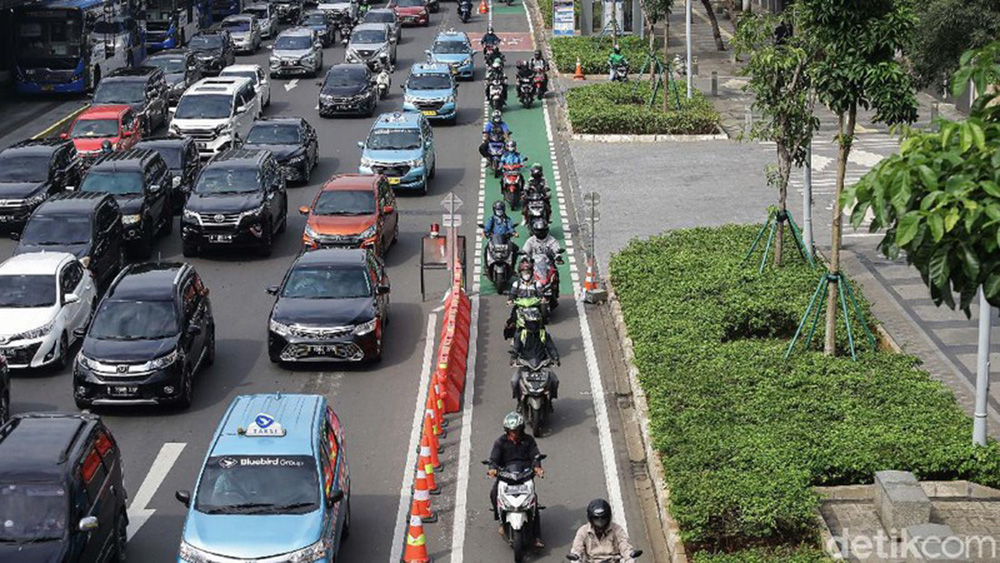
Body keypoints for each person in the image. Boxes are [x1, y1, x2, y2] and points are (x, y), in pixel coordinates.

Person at [488, 412, 546, 548]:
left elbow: (535, 455)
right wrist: (492, 469)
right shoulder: (500, 442)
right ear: (507, 431)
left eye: (517, 430)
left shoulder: (529, 440)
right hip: (506, 475)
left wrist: (537, 468)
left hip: (525, 475)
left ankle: (536, 536)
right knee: (493, 492)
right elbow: (494, 458)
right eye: (512, 431)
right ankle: (501, 521)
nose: (514, 433)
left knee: (533, 503)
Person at [509, 305, 560, 400]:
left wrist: (555, 358)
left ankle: (550, 400)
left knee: (555, 380)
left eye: (535, 323)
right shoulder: (520, 335)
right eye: (531, 323)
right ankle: (519, 401)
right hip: (525, 363)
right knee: (514, 381)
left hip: (542, 363)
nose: (533, 326)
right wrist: (513, 359)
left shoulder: (543, 334)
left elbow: (551, 347)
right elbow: (516, 348)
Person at [570, 499, 636, 562]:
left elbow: (624, 545)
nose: (600, 522)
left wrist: (629, 555)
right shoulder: (583, 531)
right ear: (591, 518)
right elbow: (577, 548)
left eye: (603, 518)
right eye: (596, 519)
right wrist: (576, 555)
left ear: (608, 517)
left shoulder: (617, 529)